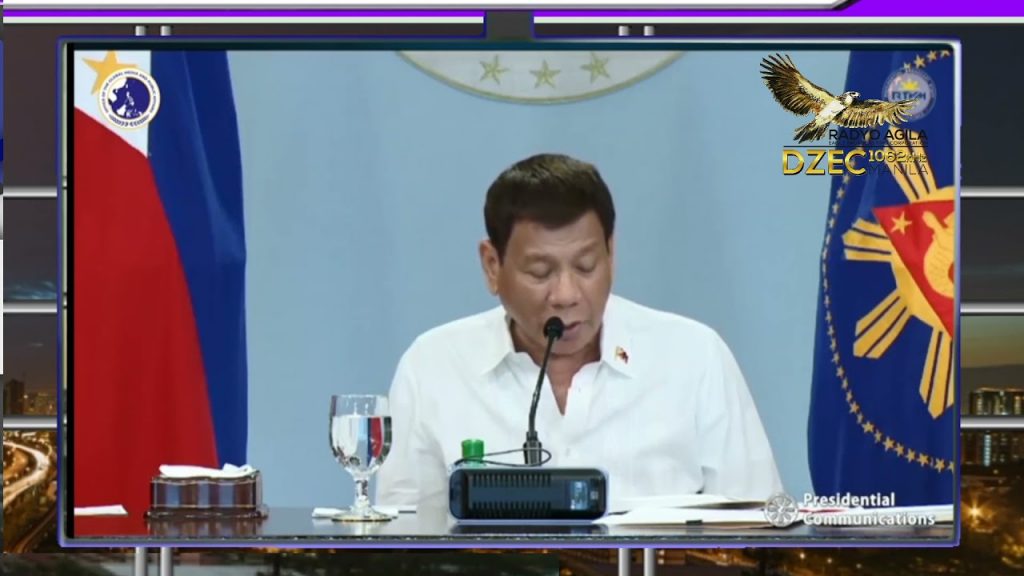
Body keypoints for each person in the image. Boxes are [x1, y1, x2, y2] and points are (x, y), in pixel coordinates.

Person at [376, 153, 783, 511]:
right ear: (492, 266)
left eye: (586, 267)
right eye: (540, 272)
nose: (566, 295)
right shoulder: (434, 367)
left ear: (611, 253)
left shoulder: (693, 358)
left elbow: (762, 526)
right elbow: (399, 540)